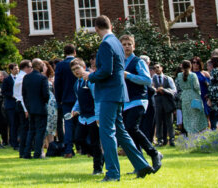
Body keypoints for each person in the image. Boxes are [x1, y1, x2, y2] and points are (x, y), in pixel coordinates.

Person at [88, 15, 153, 181]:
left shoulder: (105, 44)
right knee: (122, 133)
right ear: (110, 25)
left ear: (96, 29)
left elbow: (105, 71)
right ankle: (142, 165)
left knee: (107, 132)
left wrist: (89, 76)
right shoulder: (117, 42)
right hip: (119, 93)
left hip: (109, 94)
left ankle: (113, 173)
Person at [120, 34, 161, 171]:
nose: (126, 46)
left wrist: (128, 75)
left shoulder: (138, 62)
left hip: (138, 100)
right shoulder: (119, 63)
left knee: (132, 127)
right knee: (129, 132)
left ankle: (154, 153)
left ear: (134, 46)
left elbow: (147, 80)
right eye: (124, 44)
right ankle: (140, 164)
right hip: (125, 102)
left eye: (129, 44)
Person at [69, 58, 104, 176]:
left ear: (84, 67)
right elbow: (79, 99)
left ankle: (97, 169)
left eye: (77, 68)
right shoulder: (76, 83)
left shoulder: (90, 81)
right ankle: (98, 156)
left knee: (95, 143)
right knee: (78, 139)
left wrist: (98, 115)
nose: (75, 71)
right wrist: (75, 109)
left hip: (94, 116)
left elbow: (97, 98)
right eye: (73, 70)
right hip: (83, 117)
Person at [20, 59, 49, 160]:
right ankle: (37, 153)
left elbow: (24, 94)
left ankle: (27, 153)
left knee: (31, 131)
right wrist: (44, 101)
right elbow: (46, 95)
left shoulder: (26, 78)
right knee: (40, 131)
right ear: (39, 65)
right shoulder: (42, 78)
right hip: (41, 107)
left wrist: (28, 107)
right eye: (42, 64)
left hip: (31, 108)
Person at [53, 44, 77, 157]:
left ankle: (68, 149)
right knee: (82, 122)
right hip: (79, 98)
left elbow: (57, 84)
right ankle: (83, 147)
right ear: (75, 52)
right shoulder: (79, 63)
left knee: (68, 123)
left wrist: (59, 99)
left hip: (66, 99)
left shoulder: (60, 65)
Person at [176, 59, 207, 135]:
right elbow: (197, 87)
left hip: (184, 97)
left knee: (187, 116)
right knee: (196, 115)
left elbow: (178, 86)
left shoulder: (179, 75)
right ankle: (197, 133)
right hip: (193, 96)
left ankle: (190, 133)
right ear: (190, 66)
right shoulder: (193, 75)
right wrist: (199, 94)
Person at [151, 63, 177, 147]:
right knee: (158, 122)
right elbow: (149, 89)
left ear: (161, 68)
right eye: (154, 68)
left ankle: (172, 139)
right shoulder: (152, 79)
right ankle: (160, 140)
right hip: (157, 102)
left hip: (167, 102)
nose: (156, 69)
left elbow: (174, 90)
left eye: (158, 67)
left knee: (169, 122)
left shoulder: (168, 78)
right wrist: (155, 90)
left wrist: (164, 90)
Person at [13, 59, 31, 157]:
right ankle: (24, 150)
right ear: (26, 68)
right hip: (22, 104)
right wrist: (26, 109)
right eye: (30, 67)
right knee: (25, 128)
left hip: (19, 103)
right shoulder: (23, 77)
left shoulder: (19, 77)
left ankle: (23, 150)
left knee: (23, 128)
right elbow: (22, 95)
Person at [2, 63, 20, 151]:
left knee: (19, 124)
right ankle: (13, 142)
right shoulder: (7, 80)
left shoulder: (20, 78)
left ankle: (19, 140)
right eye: (15, 69)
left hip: (19, 104)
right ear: (11, 70)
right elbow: (4, 92)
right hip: (11, 105)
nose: (17, 70)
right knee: (13, 124)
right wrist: (12, 95)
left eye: (18, 68)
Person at [44, 61, 58, 155]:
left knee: (52, 125)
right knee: (45, 125)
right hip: (45, 103)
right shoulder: (40, 78)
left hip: (52, 103)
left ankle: (51, 148)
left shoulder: (51, 78)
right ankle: (46, 145)